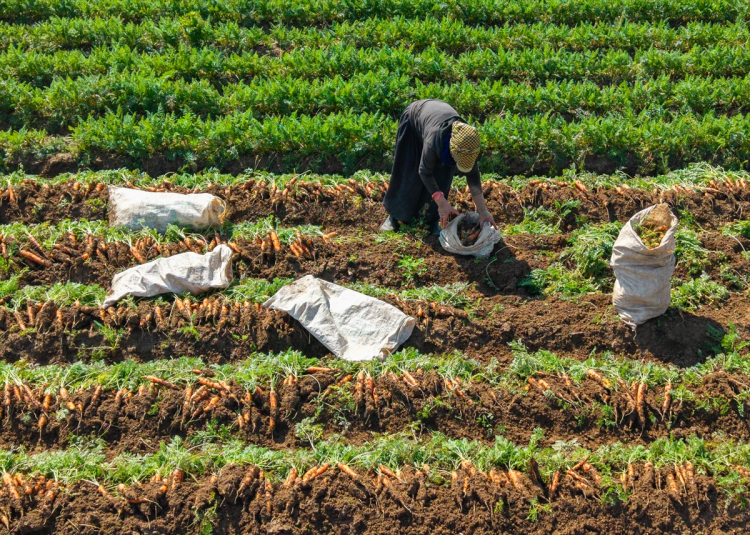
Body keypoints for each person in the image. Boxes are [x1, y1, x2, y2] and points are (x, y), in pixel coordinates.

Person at [381, 99, 497, 235]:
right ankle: (394, 217)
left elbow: (473, 179)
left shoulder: (469, 144)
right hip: (414, 121)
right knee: (409, 173)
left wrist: (483, 211)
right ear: (452, 149)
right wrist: (442, 203)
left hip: (437, 122)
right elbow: (424, 171)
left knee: (442, 178)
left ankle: (430, 222)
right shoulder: (434, 140)